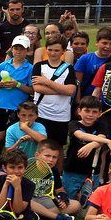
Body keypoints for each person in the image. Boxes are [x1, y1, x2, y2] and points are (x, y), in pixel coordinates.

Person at [62, 96, 111, 201]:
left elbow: (101, 138)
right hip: (72, 170)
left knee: (91, 202)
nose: (90, 115)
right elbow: (81, 135)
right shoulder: (73, 124)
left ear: (99, 113)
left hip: (92, 172)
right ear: (79, 111)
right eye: (87, 111)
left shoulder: (102, 125)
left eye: (94, 112)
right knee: (69, 200)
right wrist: (108, 141)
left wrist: (90, 145)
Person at [31, 36, 76, 164]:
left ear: (63, 51)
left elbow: (71, 91)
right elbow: (37, 88)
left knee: (58, 148)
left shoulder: (68, 68)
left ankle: (57, 173)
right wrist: (61, 90)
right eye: (50, 50)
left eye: (56, 50)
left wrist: (47, 82)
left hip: (61, 116)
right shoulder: (39, 66)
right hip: (41, 113)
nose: (52, 53)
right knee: (40, 146)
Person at [0, 35, 33, 141]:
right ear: (12, 49)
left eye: (21, 49)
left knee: (16, 136)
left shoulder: (30, 68)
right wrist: (1, 84)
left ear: (27, 50)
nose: (18, 51)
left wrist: (17, 84)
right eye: (16, 48)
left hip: (19, 107)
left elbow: (32, 90)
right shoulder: (3, 65)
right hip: (2, 105)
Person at [26, 140, 77, 220]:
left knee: (76, 205)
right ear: (37, 155)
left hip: (45, 200)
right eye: (47, 156)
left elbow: (60, 190)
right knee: (27, 202)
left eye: (54, 157)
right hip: (30, 200)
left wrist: (63, 198)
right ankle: (55, 217)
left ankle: (37, 215)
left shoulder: (54, 170)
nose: (51, 160)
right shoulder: (27, 167)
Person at [74, 27, 111, 101]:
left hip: (108, 101)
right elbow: (77, 84)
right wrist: (78, 102)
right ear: (97, 43)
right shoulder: (85, 59)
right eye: (104, 43)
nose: (108, 47)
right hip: (87, 101)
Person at [0, 0, 28, 64]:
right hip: (5, 64)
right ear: (8, 10)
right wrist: (1, 56)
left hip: (25, 64)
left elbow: (37, 47)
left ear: (22, 9)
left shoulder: (29, 27)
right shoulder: (0, 29)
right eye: (12, 9)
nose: (15, 12)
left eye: (17, 9)